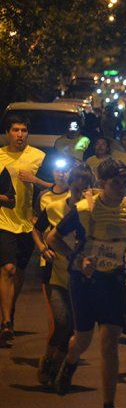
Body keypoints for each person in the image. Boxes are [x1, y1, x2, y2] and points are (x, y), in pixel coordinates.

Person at [47, 158, 126, 408]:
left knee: (109, 344)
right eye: (116, 181)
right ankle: (69, 364)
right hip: (84, 282)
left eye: (125, 181)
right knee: (83, 339)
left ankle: (108, 407)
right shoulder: (84, 209)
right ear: (102, 183)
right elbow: (52, 238)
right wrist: (76, 259)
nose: (122, 186)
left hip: (113, 281)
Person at [33, 164, 93, 385]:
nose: (79, 196)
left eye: (84, 191)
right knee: (61, 321)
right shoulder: (54, 207)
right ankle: (47, 361)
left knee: (72, 328)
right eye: (76, 190)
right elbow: (37, 229)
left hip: (81, 278)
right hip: (55, 273)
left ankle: (57, 366)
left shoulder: (95, 213)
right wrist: (42, 247)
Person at [0, 115, 48, 344]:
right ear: (7, 132)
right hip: (3, 221)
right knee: (7, 269)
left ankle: (9, 309)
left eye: (24, 130)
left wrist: (35, 180)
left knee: (18, 274)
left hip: (27, 224)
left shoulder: (39, 157)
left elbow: (57, 186)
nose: (20, 134)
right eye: (15, 130)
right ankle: (6, 322)